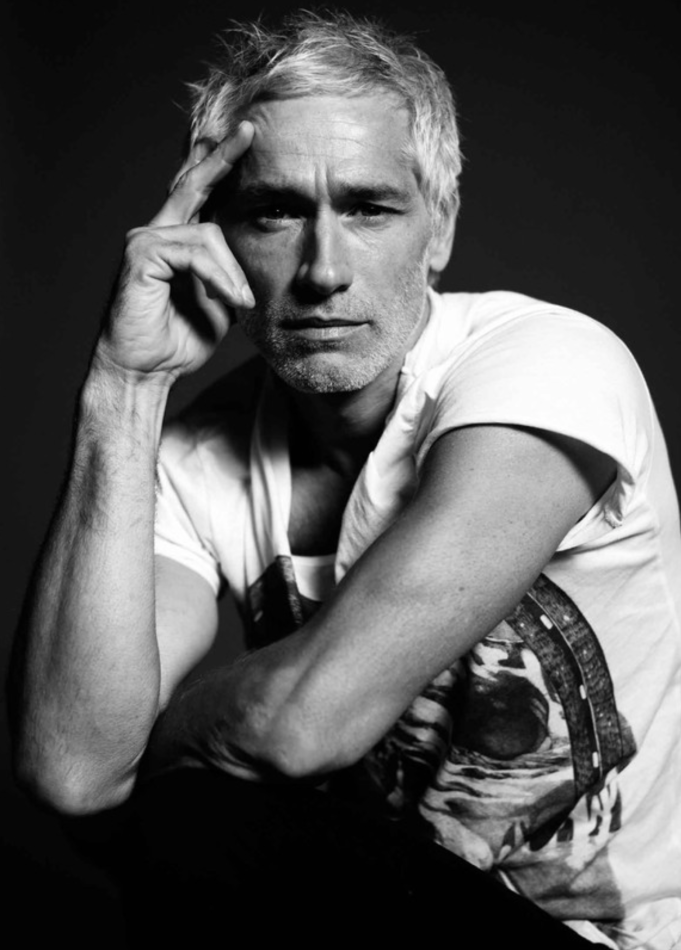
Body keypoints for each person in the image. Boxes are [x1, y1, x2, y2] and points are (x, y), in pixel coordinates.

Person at [8, 10, 681, 948]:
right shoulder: (196, 454)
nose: (322, 270)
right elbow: (71, 767)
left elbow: (302, 727)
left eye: (368, 209)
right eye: (274, 212)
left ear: (438, 228)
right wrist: (126, 386)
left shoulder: (549, 362)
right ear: (212, 234)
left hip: (619, 942)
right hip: (388, 914)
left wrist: (151, 746)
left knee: (192, 818)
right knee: (186, 827)